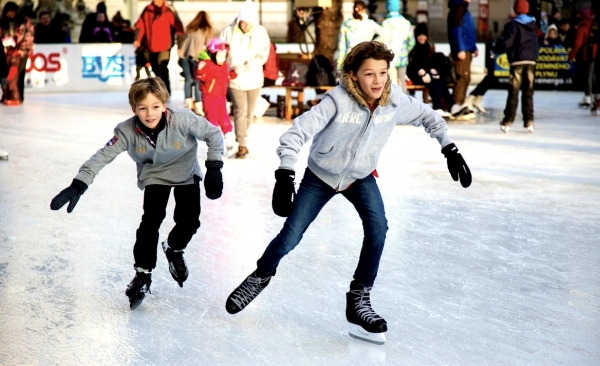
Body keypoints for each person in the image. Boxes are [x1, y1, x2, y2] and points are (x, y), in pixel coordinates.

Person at [224, 41, 472, 345]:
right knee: (290, 236)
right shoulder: (336, 101)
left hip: (360, 176)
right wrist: (285, 172)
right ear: (354, 75)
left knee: (378, 229)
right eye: (369, 74)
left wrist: (449, 147)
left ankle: (359, 298)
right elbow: (296, 132)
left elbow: (429, 117)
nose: (378, 80)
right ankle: (261, 275)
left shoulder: (393, 101)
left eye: (383, 72)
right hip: (320, 176)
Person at [49, 77, 224, 310]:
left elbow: (214, 134)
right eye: (142, 108)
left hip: (186, 173)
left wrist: (214, 166)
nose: (150, 114)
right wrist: (80, 183)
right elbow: (102, 156)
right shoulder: (126, 131)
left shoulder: (183, 119)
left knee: (190, 221)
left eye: (155, 107)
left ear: (164, 104)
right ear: (134, 109)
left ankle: (173, 248)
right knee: (150, 223)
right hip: (154, 175)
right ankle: (143, 273)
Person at [219, 0, 270, 159]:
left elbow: (263, 55)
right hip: (235, 79)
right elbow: (220, 52)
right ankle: (242, 144)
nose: (244, 25)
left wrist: (248, 65)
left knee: (249, 113)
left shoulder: (260, 32)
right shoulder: (228, 31)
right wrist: (229, 66)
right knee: (240, 111)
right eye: (242, 22)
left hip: (254, 78)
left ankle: (240, 136)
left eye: (248, 22)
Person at [493, 0, 539, 133]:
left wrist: (495, 50)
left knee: (514, 91)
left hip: (517, 60)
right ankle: (529, 120)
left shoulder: (513, 25)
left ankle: (508, 120)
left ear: (516, 9)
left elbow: (507, 42)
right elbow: (537, 41)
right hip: (531, 61)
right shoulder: (533, 25)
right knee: (528, 91)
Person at [195, 37, 238, 155]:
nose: (222, 59)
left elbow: (225, 77)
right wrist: (199, 69)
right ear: (212, 54)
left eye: (224, 56)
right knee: (212, 121)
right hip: (209, 98)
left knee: (225, 119)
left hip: (221, 98)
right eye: (219, 56)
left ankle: (230, 142)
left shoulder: (223, 66)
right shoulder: (207, 64)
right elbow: (199, 76)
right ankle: (215, 146)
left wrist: (234, 73)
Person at [134, 0, 184, 94]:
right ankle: (160, 90)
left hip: (164, 46)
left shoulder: (169, 10)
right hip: (151, 46)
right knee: (155, 69)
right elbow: (140, 25)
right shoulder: (148, 9)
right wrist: (137, 39)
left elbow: (179, 28)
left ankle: (166, 92)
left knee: (162, 67)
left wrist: (180, 45)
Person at [407, 23, 455, 118]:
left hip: (426, 74)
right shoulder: (414, 48)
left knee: (438, 80)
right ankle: (439, 107)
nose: (421, 37)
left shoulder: (428, 46)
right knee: (436, 81)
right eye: (419, 35)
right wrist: (423, 73)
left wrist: (433, 71)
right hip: (415, 75)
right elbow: (413, 66)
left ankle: (452, 106)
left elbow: (429, 63)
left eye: (423, 34)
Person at [335, 1, 385, 74]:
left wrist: (339, 63)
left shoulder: (346, 24)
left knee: (351, 81)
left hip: (350, 55)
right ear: (364, 10)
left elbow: (341, 45)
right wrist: (373, 43)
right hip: (366, 54)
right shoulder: (370, 23)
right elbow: (384, 34)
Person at [447, 0, 478, 120]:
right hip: (462, 50)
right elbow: (456, 31)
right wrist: (459, 49)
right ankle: (456, 105)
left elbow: (469, 31)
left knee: (466, 77)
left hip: (467, 49)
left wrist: (474, 47)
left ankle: (461, 102)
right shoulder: (457, 9)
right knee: (462, 76)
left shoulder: (464, 9)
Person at [0, 1, 34, 106]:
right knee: (5, 74)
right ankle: (6, 96)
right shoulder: (2, 21)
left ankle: (18, 96)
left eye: (12, 12)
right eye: (8, 12)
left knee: (18, 73)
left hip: (20, 52)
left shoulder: (24, 21)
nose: (10, 14)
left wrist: (22, 50)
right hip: (6, 52)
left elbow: (29, 36)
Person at [179, 10, 212, 113]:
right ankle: (198, 105)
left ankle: (188, 103)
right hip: (197, 58)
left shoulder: (190, 28)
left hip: (185, 56)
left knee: (188, 80)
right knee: (198, 81)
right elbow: (209, 45)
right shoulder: (206, 30)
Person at [381, 0, 414, 93]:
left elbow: (384, 41)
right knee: (402, 81)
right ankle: (404, 104)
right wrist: (406, 50)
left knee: (393, 82)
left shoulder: (386, 23)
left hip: (390, 57)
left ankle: (394, 105)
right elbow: (412, 41)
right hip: (402, 56)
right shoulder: (406, 22)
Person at [569, 9, 597, 108]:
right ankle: (596, 96)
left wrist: (571, 55)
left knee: (587, 76)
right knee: (593, 75)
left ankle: (588, 97)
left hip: (588, 54)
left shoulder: (582, 28)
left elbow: (577, 43)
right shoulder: (595, 26)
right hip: (596, 53)